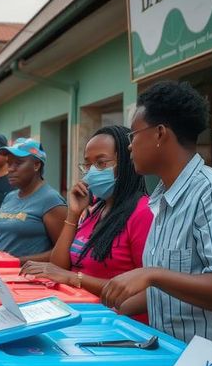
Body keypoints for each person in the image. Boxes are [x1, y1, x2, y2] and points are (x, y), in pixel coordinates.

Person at [101, 81, 212, 363]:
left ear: (159, 134)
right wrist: (108, 310)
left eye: (134, 135)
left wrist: (152, 274)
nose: (130, 146)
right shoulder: (164, 199)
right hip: (181, 361)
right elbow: (174, 290)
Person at [20, 125, 154, 318]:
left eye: (101, 163)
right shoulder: (95, 210)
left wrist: (75, 278)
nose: (91, 173)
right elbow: (58, 267)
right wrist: (73, 214)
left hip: (114, 323)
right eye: (88, 165)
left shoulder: (143, 212)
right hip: (77, 312)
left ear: (126, 163)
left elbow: (145, 291)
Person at [0, 138, 67, 263]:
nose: (10, 169)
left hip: (27, 277)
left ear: (36, 165)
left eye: (18, 163)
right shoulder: (10, 197)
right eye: (9, 163)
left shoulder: (51, 200)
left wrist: (15, 262)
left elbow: (63, 252)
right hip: (2, 273)